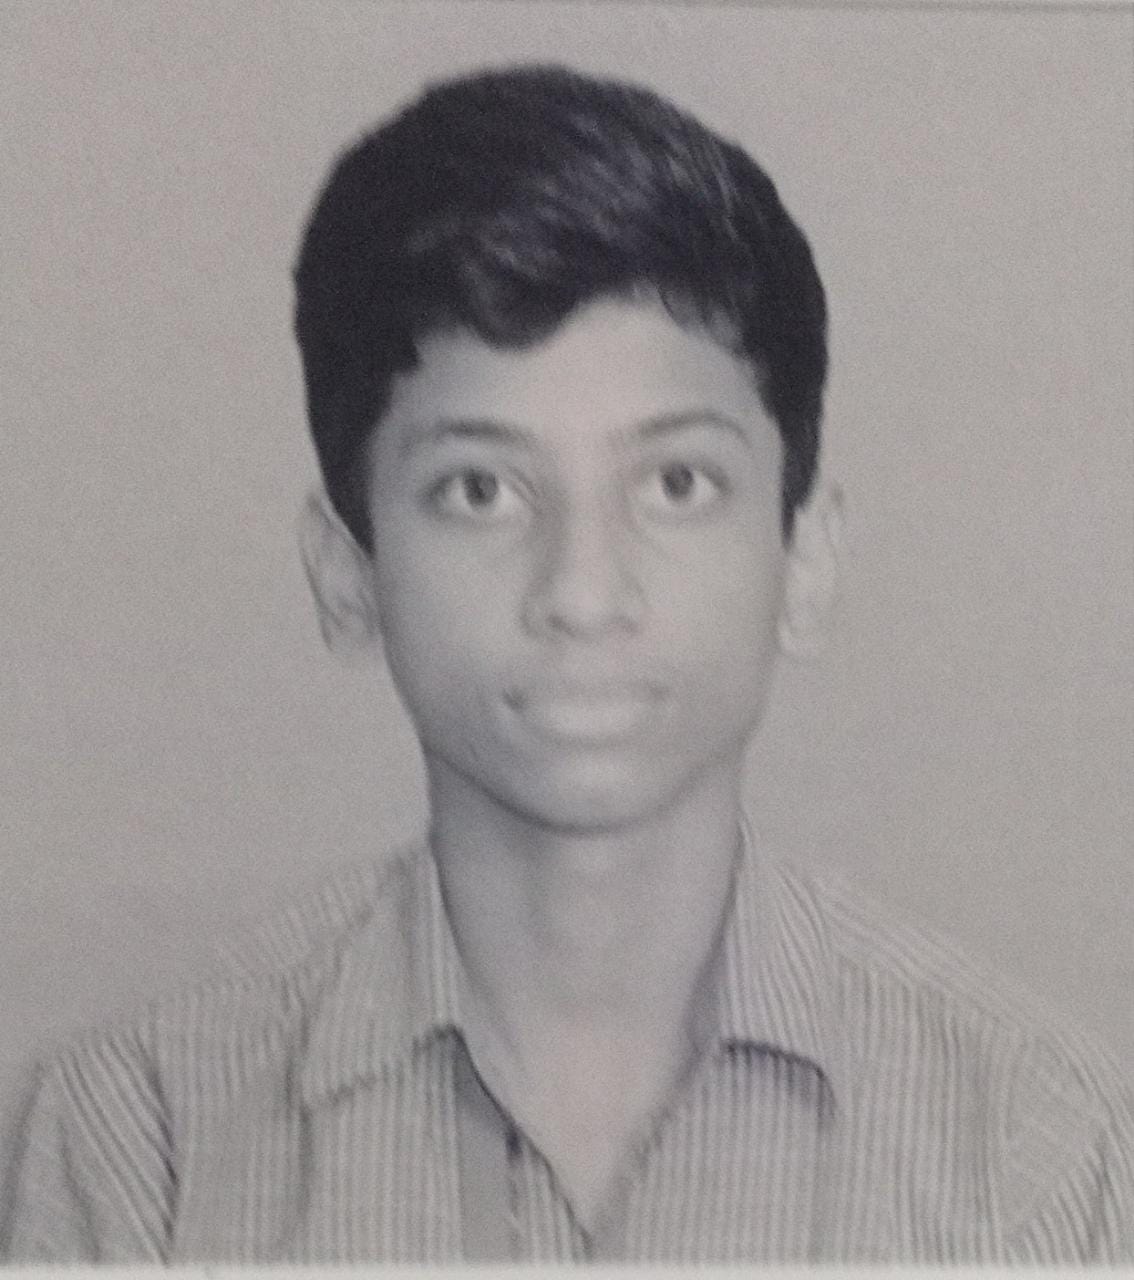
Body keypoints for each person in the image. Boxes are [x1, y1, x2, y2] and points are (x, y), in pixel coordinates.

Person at [2, 63, 1132, 1265]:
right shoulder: (146, 1136)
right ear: (348, 572)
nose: (584, 593)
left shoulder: (1031, 1141)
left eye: (677, 483)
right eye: (480, 489)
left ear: (804, 556)